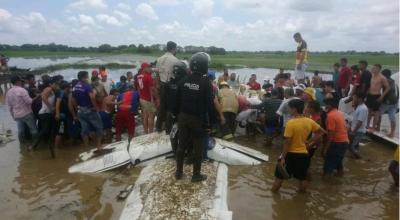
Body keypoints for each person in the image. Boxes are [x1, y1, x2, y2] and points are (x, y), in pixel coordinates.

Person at [174, 52, 213, 182]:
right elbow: (209, 106)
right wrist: (209, 124)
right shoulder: (206, 83)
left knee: (181, 145)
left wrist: (177, 117)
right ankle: (196, 175)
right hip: (197, 119)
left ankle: (178, 172)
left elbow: (177, 101)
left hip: (183, 117)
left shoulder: (183, 81)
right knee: (198, 148)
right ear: (204, 66)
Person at [271, 99, 325, 193]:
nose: (288, 111)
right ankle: (301, 199)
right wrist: (309, 141)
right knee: (302, 178)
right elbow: (322, 132)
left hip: (290, 155)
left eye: (290, 109)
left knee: (279, 178)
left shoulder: (290, 123)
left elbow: (287, 143)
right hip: (303, 155)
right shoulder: (309, 121)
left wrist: (283, 157)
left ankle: (273, 197)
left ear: (294, 109)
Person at [71, 71, 103, 151]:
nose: (88, 78)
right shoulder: (87, 86)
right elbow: (92, 97)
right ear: (83, 77)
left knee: (84, 129)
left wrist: (77, 108)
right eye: (87, 77)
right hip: (89, 110)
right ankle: (99, 146)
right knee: (99, 127)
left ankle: (86, 148)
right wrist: (96, 107)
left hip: (80, 110)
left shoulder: (75, 87)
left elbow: (73, 100)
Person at [5, 76, 38, 149]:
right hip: (27, 113)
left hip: (17, 115)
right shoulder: (22, 90)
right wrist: (37, 96)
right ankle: (34, 145)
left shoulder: (8, 92)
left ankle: (22, 147)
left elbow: (9, 106)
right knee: (33, 130)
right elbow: (29, 101)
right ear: (18, 81)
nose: (21, 82)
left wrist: (12, 116)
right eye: (20, 81)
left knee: (21, 131)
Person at [155, 41, 180, 132]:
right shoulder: (175, 60)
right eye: (176, 49)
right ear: (173, 49)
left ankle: (158, 126)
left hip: (161, 84)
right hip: (171, 85)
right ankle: (168, 128)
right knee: (170, 107)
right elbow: (177, 75)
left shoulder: (159, 59)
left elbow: (157, 73)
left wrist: (157, 84)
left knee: (162, 105)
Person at [322, 97, 349, 176]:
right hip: (344, 141)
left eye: (325, 105)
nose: (324, 107)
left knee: (327, 168)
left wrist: (325, 149)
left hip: (337, 143)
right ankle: (339, 179)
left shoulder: (330, 116)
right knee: (338, 163)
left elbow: (331, 135)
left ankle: (326, 183)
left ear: (329, 106)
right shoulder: (339, 113)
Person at [36, 77, 59, 148]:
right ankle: (34, 145)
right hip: (45, 113)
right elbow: (43, 97)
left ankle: (50, 145)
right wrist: (51, 107)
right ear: (50, 84)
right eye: (55, 84)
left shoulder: (51, 89)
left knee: (51, 129)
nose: (56, 86)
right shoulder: (49, 89)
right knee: (44, 130)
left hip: (48, 113)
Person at [366, 64, 390, 132]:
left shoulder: (382, 77)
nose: (373, 69)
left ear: (379, 69)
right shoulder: (372, 75)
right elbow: (370, 85)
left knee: (376, 113)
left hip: (376, 96)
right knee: (369, 111)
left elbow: (388, 88)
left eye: (375, 68)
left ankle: (373, 127)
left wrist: (382, 96)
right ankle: (367, 125)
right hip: (370, 95)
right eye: (373, 68)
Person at [138, 63, 157, 134]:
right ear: (144, 68)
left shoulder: (139, 76)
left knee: (145, 116)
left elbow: (139, 88)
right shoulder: (148, 76)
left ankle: (146, 132)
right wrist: (153, 99)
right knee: (151, 116)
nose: (150, 69)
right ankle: (151, 133)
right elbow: (151, 89)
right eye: (148, 67)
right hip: (148, 99)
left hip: (142, 98)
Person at [378, 69, 398, 138]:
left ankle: (377, 127)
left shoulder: (386, 81)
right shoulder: (393, 81)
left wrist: (381, 98)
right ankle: (392, 133)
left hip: (387, 101)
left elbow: (387, 90)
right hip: (394, 101)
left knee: (378, 113)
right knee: (392, 116)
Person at [348, 92, 368, 159]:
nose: (353, 98)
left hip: (358, 131)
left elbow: (360, 122)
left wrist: (353, 131)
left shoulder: (363, 109)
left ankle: (361, 159)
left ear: (360, 99)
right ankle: (354, 157)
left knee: (352, 146)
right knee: (354, 146)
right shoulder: (359, 106)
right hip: (355, 130)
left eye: (355, 97)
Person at [54, 81, 72, 149]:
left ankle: (60, 145)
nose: (70, 89)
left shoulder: (62, 93)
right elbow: (57, 103)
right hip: (61, 115)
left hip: (62, 114)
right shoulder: (61, 93)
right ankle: (56, 147)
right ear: (66, 88)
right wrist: (57, 114)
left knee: (61, 131)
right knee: (60, 131)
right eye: (69, 87)